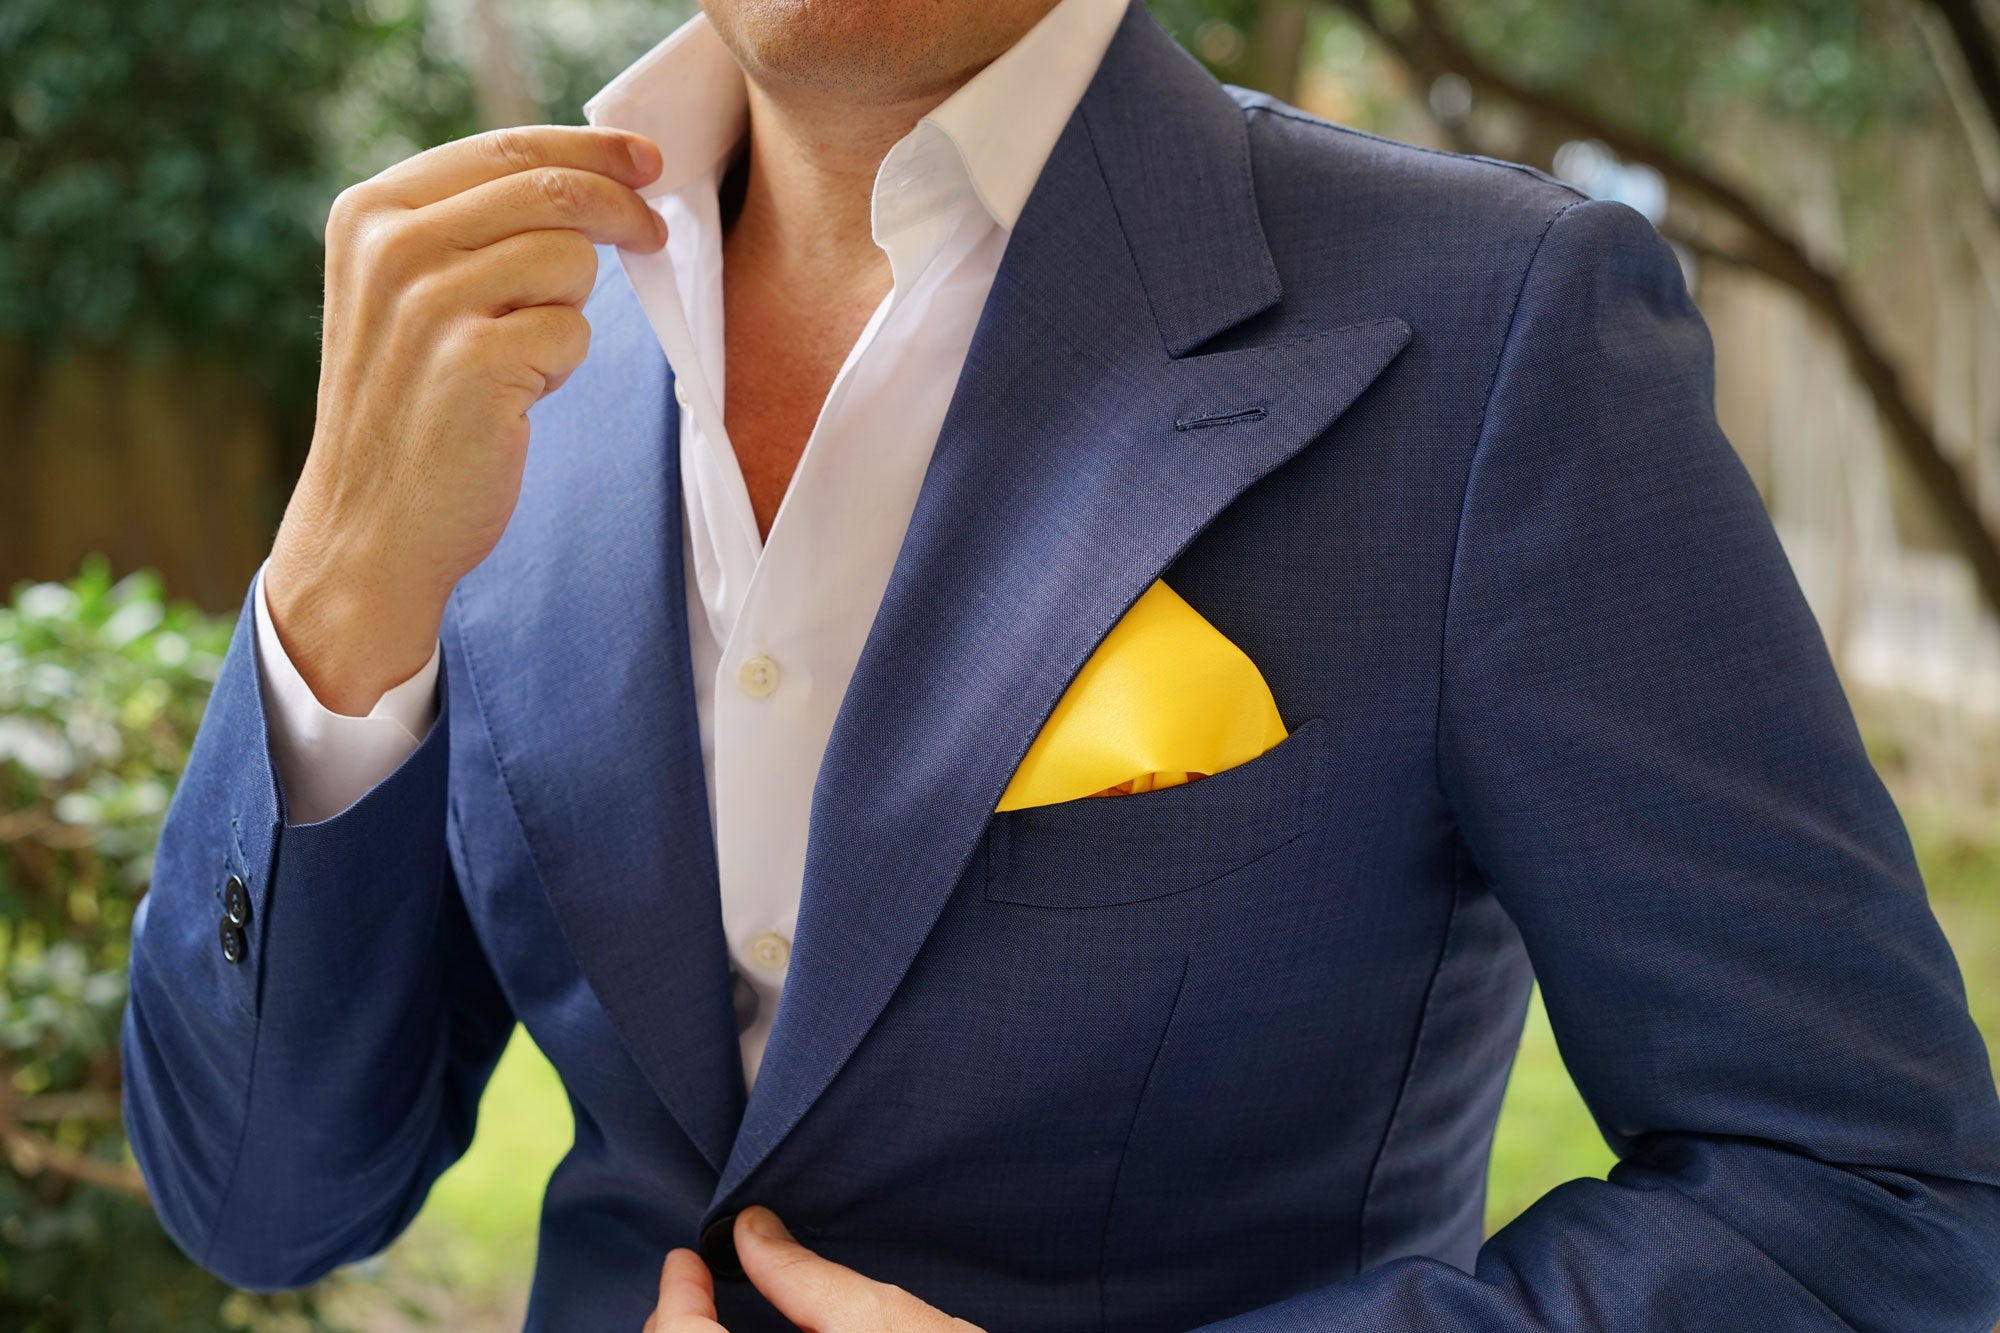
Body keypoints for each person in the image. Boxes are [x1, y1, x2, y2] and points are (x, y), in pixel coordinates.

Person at [121, 0, 2000, 1328]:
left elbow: (1875, 1200)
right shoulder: (504, 362)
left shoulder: (1499, 330)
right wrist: (336, 583)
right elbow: (267, 1206)